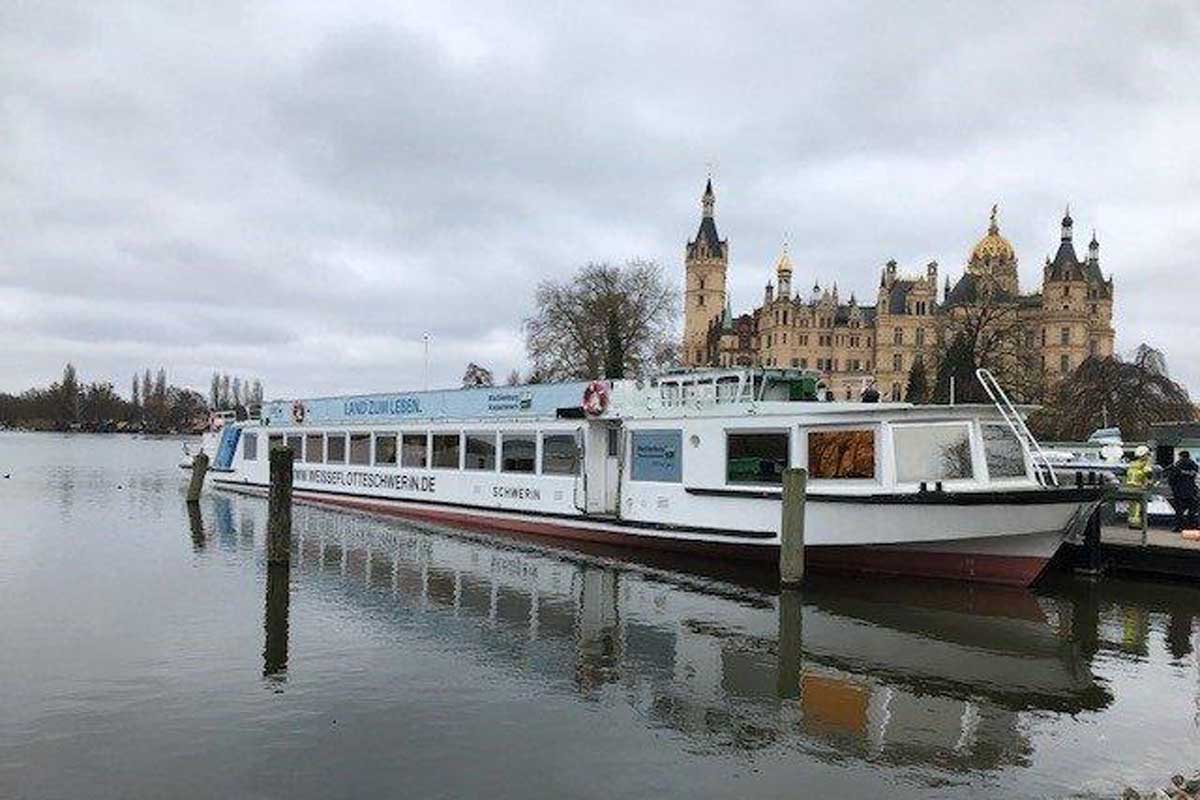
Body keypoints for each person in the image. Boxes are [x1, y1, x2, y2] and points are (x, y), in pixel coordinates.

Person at [1164, 450, 1200, 532]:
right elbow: (1194, 474)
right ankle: (1191, 526)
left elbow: (1171, 479)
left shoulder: (1177, 465)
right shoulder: (1193, 464)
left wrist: (1174, 488)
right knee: (1192, 511)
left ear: (1181, 456)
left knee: (1179, 511)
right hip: (1191, 491)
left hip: (1179, 492)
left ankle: (1179, 527)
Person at [1124, 445, 1154, 529]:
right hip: (1139, 487)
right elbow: (1148, 473)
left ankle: (1131, 522)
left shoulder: (1132, 464)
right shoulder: (1145, 464)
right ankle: (1137, 524)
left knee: (1132, 507)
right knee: (1139, 507)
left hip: (1130, 487)